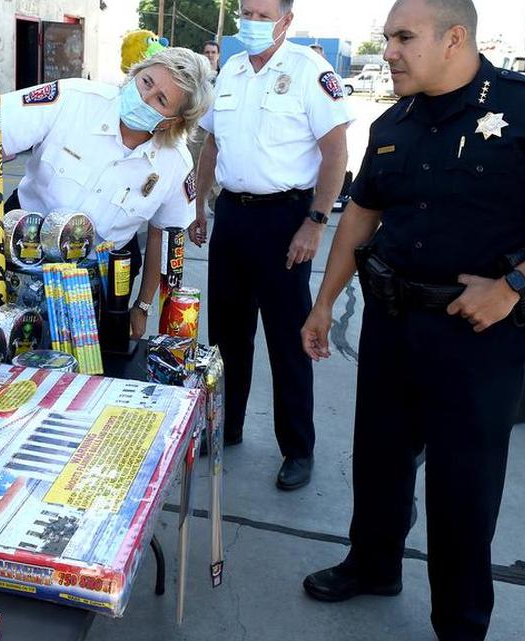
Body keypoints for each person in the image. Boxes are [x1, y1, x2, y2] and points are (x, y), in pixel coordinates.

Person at [299, 1, 525, 639]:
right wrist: (325, 302)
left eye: (403, 37)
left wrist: (516, 285)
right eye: (387, 38)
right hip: (393, 320)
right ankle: (373, 564)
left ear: (455, 37)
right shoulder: (394, 120)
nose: (389, 52)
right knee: (378, 459)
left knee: (464, 483)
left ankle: (460, 621)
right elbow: (361, 214)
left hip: (478, 336)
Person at [0, 48, 214, 338]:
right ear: (136, 73)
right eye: (146, 82)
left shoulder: (175, 163)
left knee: (86, 377)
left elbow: (162, 237)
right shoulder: (72, 98)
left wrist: (141, 307)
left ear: (174, 121)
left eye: (161, 100)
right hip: (14, 259)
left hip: (97, 286)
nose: (145, 98)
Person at [188, 0, 351, 490]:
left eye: (261, 14)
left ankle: (298, 449)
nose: (251, 23)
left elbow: (336, 152)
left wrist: (316, 222)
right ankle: (227, 426)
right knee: (227, 335)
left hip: (286, 220)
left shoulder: (309, 71)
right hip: (232, 217)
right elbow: (211, 145)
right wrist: (199, 209)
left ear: (286, 20)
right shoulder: (233, 70)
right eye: (246, 12)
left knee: (288, 340)